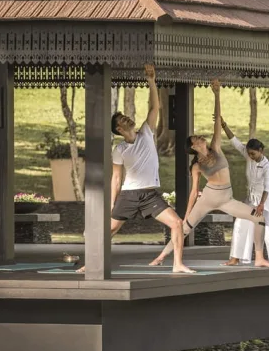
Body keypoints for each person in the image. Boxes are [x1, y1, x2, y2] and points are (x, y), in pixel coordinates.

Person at [150, 79, 269, 268]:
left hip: (226, 199)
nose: (200, 137)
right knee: (184, 228)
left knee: (259, 218)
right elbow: (194, 191)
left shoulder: (215, 148)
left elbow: (217, 120)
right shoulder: (196, 166)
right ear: (193, 146)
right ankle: (161, 257)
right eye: (196, 138)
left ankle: (259, 258)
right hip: (208, 197)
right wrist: (188, 213)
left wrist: (216, 94)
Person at [80, 67, 192, 274]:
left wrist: (151, 81)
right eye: (122, 120)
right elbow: (116, 177)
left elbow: (155, 108)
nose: (127, 119)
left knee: (177, 223)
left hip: (150, 195)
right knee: (110, 230)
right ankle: (91, 263)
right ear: (119, 130)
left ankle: (177, 265)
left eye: (126, 117)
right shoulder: (120, 149)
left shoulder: (146, 133)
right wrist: (113, 201)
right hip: (129, 195)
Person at [220, 119, 269, 266]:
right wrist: (224, 125)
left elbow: (267, 187)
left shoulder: (267, 165)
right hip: (250, 199)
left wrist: (262, 204)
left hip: (265, 200)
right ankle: (235, 258)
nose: (251, 156)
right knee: (240, 224)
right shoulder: (248, 156)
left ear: (261, 151)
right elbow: (235, 142)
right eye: (249, 154)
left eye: (253, 154)